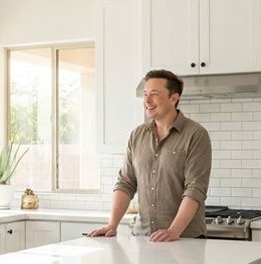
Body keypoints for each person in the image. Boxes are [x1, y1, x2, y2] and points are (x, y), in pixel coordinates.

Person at [88, 69, 212, 242]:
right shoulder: (137, 135)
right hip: (144, 238)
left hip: (185, 239)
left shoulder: (196, 135)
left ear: (174, 98)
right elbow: (126, 182)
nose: (147, 100)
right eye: (145, 94)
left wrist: (173, 230)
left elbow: (195, 189)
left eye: (154, 94)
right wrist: (112, 225)